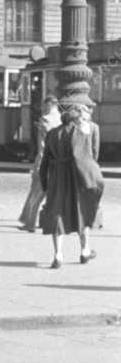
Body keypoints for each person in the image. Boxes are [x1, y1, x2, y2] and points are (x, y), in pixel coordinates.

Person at [40, 102, 105, 268]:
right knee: (81, 212)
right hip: (76, 178)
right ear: (75, 121)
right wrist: (94, 178)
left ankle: (58, 255)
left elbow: (45, 160)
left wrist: (44, 182)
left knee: (57, 214)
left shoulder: (52, 134)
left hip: (57, 178)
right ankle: (84, 251)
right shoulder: (81, 134)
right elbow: (86, 158)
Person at [18, 97, 61, 232]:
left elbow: (42, 146)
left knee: (36, 193)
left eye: (43, 105)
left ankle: (29, 222)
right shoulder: (61, 119)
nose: (42, 107)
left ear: (48, 105)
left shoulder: (45, 120)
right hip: (58, 161)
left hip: (45, 161)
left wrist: (38, 165)